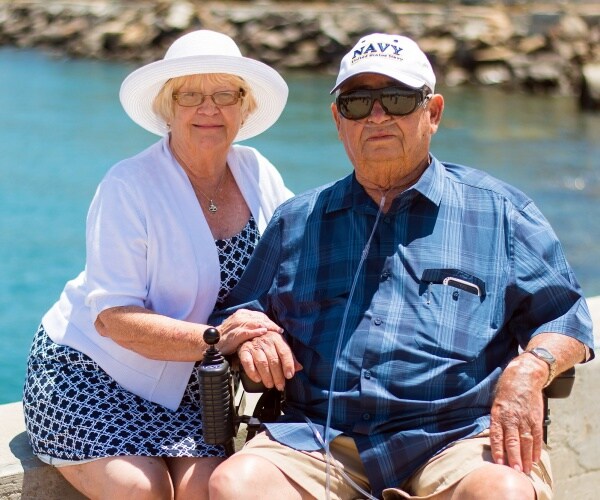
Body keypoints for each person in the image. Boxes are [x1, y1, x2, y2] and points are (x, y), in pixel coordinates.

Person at [207, 33, 595, 500]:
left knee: (502, 492)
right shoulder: (297, 220)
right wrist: (252, 330)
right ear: (338, 119)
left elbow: (566, 318)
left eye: (396, 99)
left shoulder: (500, 212)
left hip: (457, 439)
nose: (377, 116)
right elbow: (238, 312)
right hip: (318, 438)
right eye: (357, 102)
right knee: (236, 484)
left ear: (432, 113)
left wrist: (529, 370)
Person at [22, 29, 292, 499]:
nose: (209, 108)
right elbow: (113, 318)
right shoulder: (128, 184)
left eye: (225, 93)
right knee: (142, 490)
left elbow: (298, 263)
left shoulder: (258, 172)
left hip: (187, 386)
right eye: (191, 94)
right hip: (89, 374)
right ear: (168, 108)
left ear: (245, 107)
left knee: (209, 491)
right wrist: (218, 339)